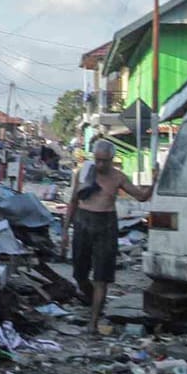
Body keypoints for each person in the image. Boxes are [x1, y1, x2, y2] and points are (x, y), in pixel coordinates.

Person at [64, 139, 152, 335]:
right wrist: (64, 232)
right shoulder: (85, 173)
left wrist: (154, 182)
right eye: (98, 160)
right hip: (83, 223)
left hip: (105, 225)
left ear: (112, 159)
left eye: (105, 161)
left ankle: (93, 322)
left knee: (101, 277)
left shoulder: (118, 177)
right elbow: (73, 201)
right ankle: (93, 302)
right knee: (79, 274)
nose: (101, 165)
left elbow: (141, 196)